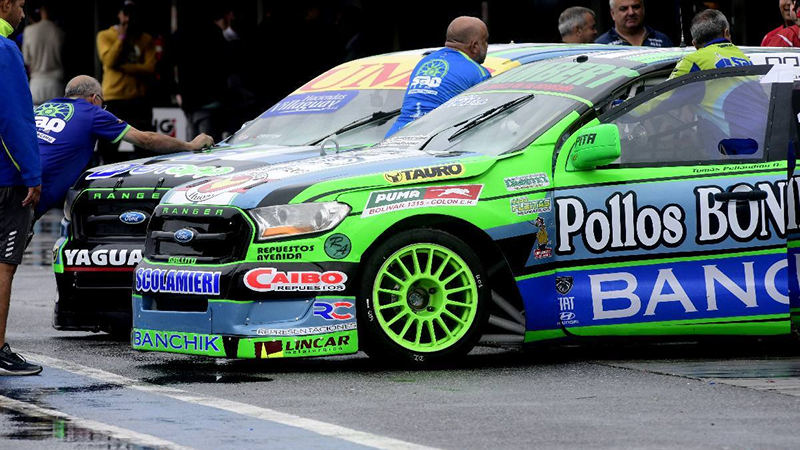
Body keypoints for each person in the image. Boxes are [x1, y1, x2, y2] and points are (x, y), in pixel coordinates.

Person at [33, 76, 214, 218]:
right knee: (7, 260)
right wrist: (189, 145)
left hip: (10, 176)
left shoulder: (43, 107)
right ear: (95, 99)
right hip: (31, 190)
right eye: (103, 104)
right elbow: (146, 140)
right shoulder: (93, 112)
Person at [0, 0, 44, 376]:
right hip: (6, 177)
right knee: (3, 265)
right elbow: (14, 117)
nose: (23, 9)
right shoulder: (4, 49)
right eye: (19, 3)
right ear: (3, 6)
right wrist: (31, 172)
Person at [385, 16, 490, 138]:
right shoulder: (479, 73)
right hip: (433, 142)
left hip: (394, 136)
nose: (487, 45)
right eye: (485, 40)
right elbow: (486, 120)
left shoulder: (424, 62)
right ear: (474, 46)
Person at [95, 1, 156, 164]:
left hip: (138, 99)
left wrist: (122, 67)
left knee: (144, 147)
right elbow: (108, 60)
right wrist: (121, 37)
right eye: (125, 14)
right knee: (108, 149)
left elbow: (150, 68)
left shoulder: (145, 39)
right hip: (115, 98)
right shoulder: (105, 35)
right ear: (119, 15)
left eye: (132, 14)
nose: (128, 19)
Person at [670, 9, 752, 79]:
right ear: (726, 32)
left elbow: (665, 95)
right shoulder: (745, 59)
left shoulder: (692, 61)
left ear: (694, 44)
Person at [22, 2, 64, 105]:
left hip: (37, 82)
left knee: (36, 119)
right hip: (56, 84)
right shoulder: (59, 31)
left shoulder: (29, 31)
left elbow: (26, 59)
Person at [596, 0, 674, 47]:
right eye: (624, 9)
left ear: (643, 9)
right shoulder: (601, 45)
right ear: (613, 14)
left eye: (636, 7)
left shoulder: (662, 40)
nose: (631, 13)